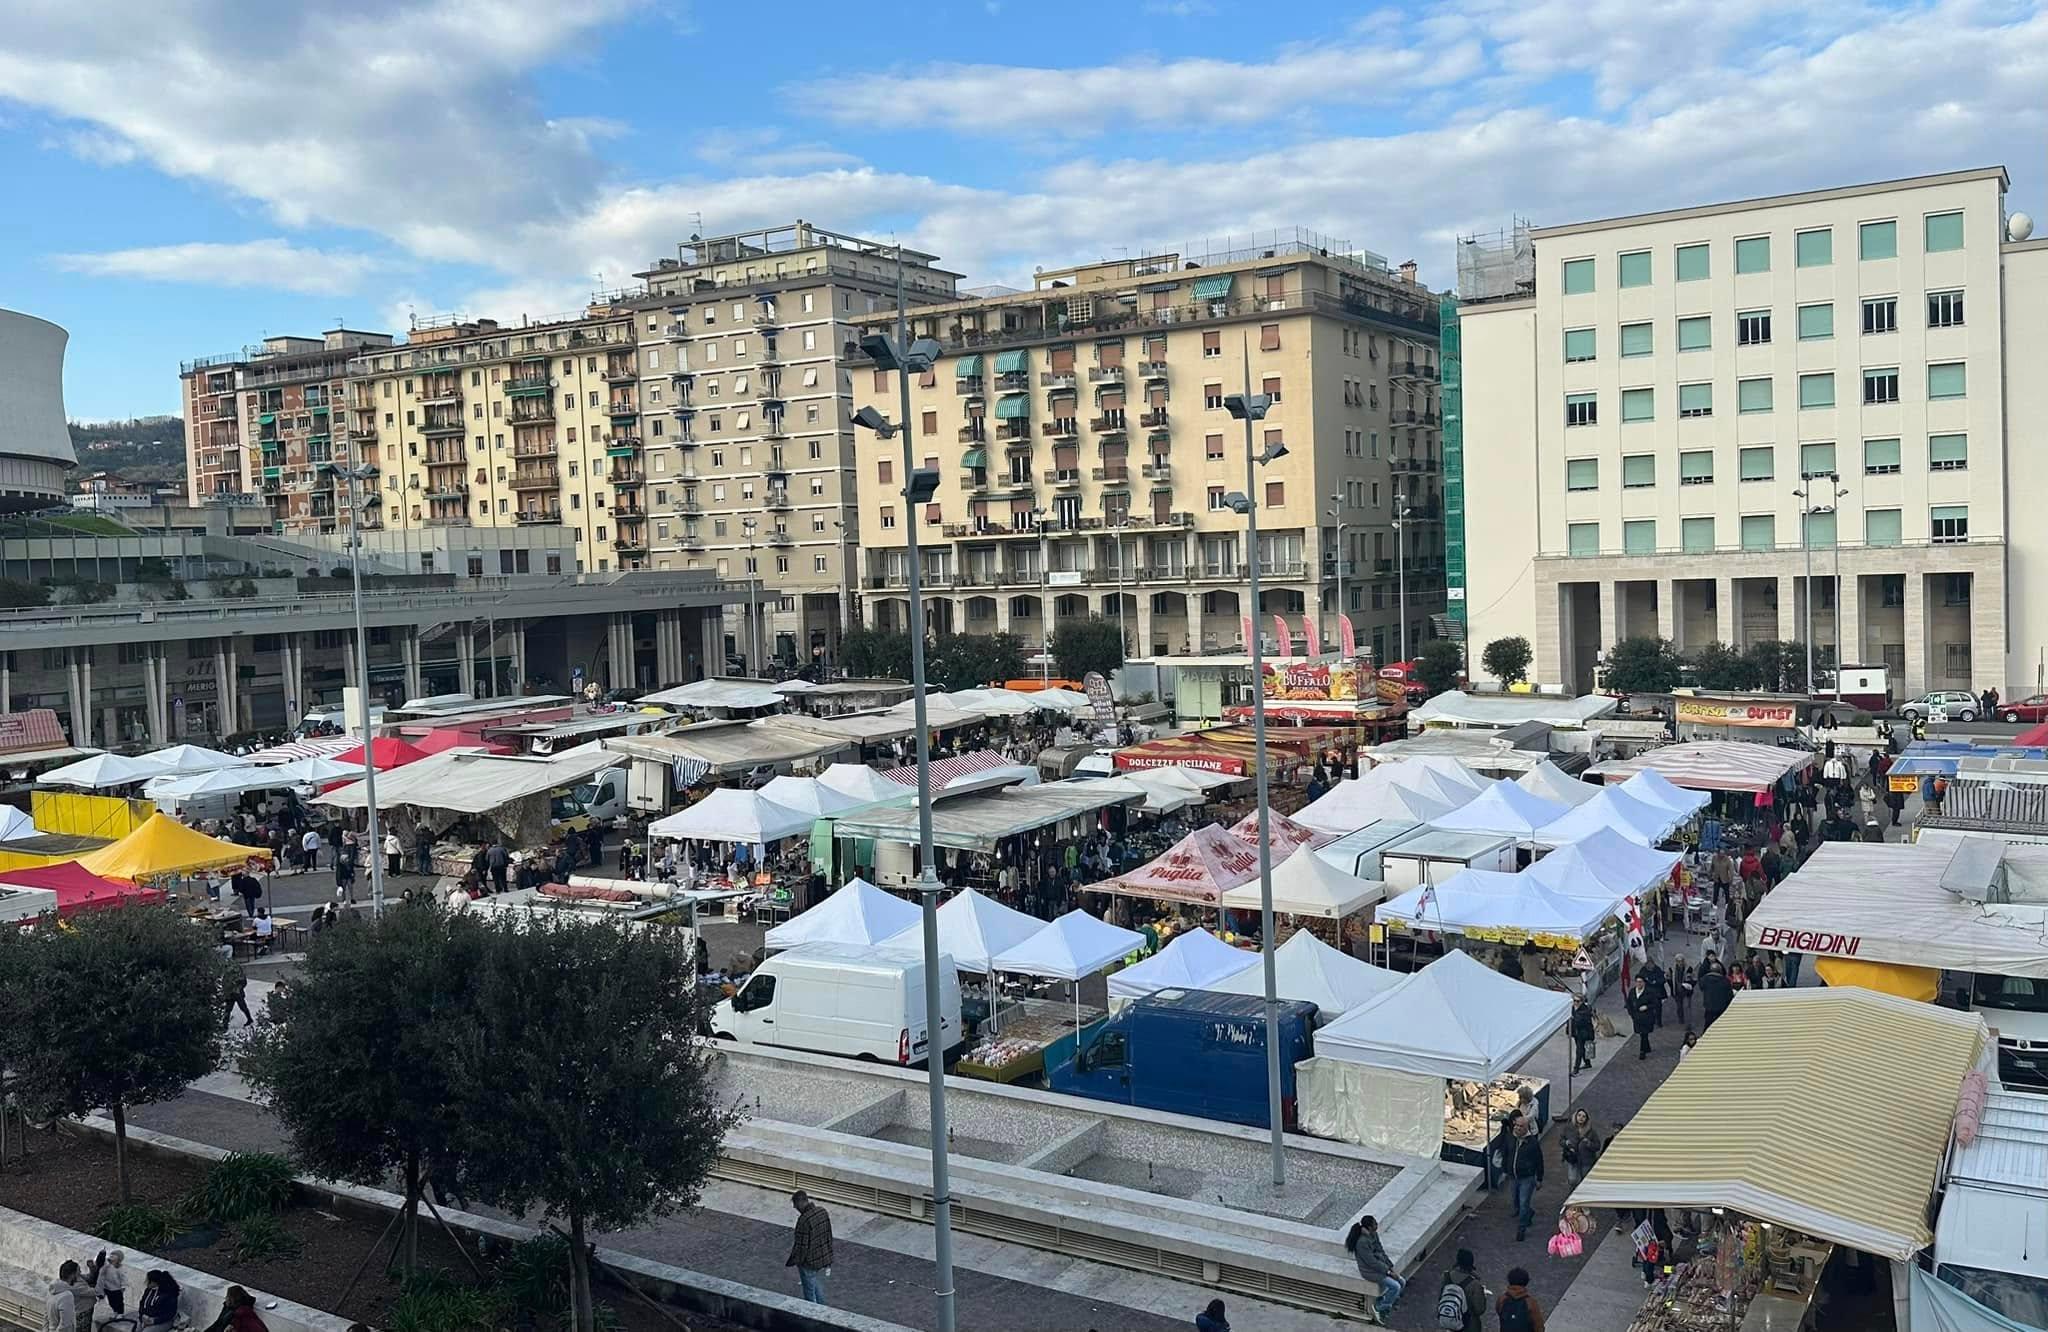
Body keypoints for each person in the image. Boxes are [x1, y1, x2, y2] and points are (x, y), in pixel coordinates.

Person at [1345, 1215, 1401, 1324]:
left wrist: (1390, 1266)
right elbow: (1371, 1263)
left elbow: (1381, 1250)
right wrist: (1388, 1272)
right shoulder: (1362, 1242)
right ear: (1369, 1227)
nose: (1377, 1225)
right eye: (1375, 1224)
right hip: (1369, 1271)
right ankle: (1379, 1308)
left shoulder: (1373, 1234)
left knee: (1402, 1282)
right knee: (1396, 1286)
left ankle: (1387, 1302)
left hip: (1380, 1267)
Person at [786, 1191, 833, 1305]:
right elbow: (828, 1234)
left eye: (796, 1205)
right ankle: (822, 1307)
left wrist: (795, 1261)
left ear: (801, 1203)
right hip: (822, 1257)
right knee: (815, 1282)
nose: (795, 1208)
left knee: (809, 1292)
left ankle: (812, 1313)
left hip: (809, 1261)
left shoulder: (804, 1220)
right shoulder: (822, 1212)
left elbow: (801, 1246)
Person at [1508, 1116, 1544, 1242]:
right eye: (1516, 1125)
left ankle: (1521, 1229)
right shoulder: (1511, 1138)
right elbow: (1508, 1153)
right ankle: (1529, 1213)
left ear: (1526, 1127)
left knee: (1523, 1203)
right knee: (1516, 1200)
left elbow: (1539, 1161)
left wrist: (1539, 1178)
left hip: (1527, 1178)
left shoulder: (1532, 1143)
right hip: (1513, 1176)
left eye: (1520, 1126)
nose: (1517, 1128)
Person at [1438, 1248, 1485, 1332]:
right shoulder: (1474, 1284)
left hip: (1450, 1320)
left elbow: (1440, 1298)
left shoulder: (1446, 1276)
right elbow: (1479, 1309)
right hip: (1468, 1325)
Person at [1560, 1107, 1602, 1188]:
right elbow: (1561, 1140)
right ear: (1575, 1116)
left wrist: (1589, 1143)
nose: (1581, 1118)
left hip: (1586, 1160)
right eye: (1579, 1115)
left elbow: (1597, 1146)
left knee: (1584, 1180)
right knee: (1572, 1180)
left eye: (1583, 1116)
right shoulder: (1569, 1128)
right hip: (1573, 1158)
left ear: (1586, 1119)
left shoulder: (1591, 1132)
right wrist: (1566, 1143)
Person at [1496, 1266, 1545, 1331]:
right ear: (1526, 1282)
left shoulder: (1501, 1299)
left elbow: (1499, 1313)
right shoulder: (1531, 1302)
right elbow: (1539, 1325)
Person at [1626, 976, 1656, 1060]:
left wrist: (1647, 1007)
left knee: (1644, 1033)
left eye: (1641, 982)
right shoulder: (1632, 992)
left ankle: (1642, 1051)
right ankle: (1647, 1047)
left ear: (1644, 983)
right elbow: (1628, 1003)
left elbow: (1655, 1003)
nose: (1639, 984)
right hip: (1636, 1017)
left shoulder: (1649, 992)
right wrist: (1631, 1013)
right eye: (1637, 982)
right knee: (1642, 1034)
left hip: (1646, 1017)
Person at [1698, 962, 1735, 1029]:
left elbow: (1701, 987)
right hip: (1722, 1006)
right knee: (1721, 1024)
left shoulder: (1705, 979)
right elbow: (1730, 995)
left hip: (1709, 1006)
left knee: (1708, 1024)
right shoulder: (1725, 980)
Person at [45, 1263, 78, 1332]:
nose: (79, 1274)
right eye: (78, 1272)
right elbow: (65, 1325)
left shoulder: (51, 1291)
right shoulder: (67, 1296)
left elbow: (46, 1317)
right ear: (72, 1275)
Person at [94, 1251, 127, 1316]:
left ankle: (120, 1312)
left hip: (116, 1288)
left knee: (118, 1301)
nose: (112, 1255)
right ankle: (115, 1311)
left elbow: (123, 1278)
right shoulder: (106, 1264)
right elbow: (97, 1262)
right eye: (111, 1254)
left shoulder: (119, 1269)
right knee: (111, 1301)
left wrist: (123, 1286)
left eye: (114, 1255)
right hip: (107, 1287)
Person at [1568, 994, 1596, 1072]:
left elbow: (1581, 1022)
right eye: (1574, 1001)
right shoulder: (1573, 1008)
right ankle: (1587, 1063)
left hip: (1583, 1033)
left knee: (1579, 1050)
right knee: (1581, 1049)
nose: (1575, 1002)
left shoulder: (1585, 1010)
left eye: (1578, 1001)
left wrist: (1574, 1019)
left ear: (1582, 1002)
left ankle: (1576, 1068)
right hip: (1577, 1032)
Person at [1639, 956, 1667, 1029]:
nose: (1649, 965)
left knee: (1658, 1008)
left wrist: (1656, 982)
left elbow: (1663, 980)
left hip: (1657, 993)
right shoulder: (1643, 971)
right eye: (1647, 964)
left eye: (1650, 963)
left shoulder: (1657, 969)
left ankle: (1659, 1022)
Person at [1671, 956, 1696, 1027]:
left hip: (1686, 991)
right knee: (1679, 1006)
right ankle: (1681, 1019)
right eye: (1678, 961)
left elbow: (1694, 979)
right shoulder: (1672, 969)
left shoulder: (1689, 969)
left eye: (1681, 961)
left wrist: (1689, 985)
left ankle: (1688, 1023)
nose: (1680, 963)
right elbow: (1670, 980)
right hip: (1677, 991)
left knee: (1687, 1007)